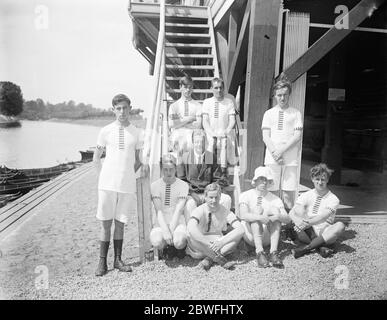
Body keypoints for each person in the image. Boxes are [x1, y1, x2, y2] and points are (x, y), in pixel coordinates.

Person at [93, 94, 145, 277]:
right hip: (107, 185)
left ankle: (118, 259)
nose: (122, 112)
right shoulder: (105, 131)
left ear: (130, 108)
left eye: (125, 108)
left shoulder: (137, 132)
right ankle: (102, 262)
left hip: (126, 185)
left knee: (120, 223)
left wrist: (128, 174)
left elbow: (139, 161)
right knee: (106, 224)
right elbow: (96, 158)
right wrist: (103, 177)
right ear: (113, 110)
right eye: (118, 108)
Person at [261, 80, 303, 211]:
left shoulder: (296, 113)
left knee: (288, 195)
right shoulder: (269, 113)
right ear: (275, 95)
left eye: (285, 94)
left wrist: (281, 151)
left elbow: (297, 136)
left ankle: (288, 228)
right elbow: (265, 136)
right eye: (279, 95)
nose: (282, 98)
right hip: (272, 158)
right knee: (272, 193)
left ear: (289, 94)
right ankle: (273, 226)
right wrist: (275, 153)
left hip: (290, 159)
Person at [289, 163, 345, 259]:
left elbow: (323, 217)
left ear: (327, 180)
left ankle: (305, 249)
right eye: (317, 179)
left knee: (340, 225)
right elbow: (292, 212)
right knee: (297, 211)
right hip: (306, 230)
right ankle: (320, 247)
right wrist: (301, 222)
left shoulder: (333, 199)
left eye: (323, 179)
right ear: (312, 179)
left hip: (324, 231)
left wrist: (307, 223)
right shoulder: (306, 195)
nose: (320, 182)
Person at [239, 166, 290, 268]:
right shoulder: (246, 195)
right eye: (261, 179)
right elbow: (243, 215)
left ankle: (273, 253)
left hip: (268, 237)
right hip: (250, 235)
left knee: (275, 211)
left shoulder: (275, 199)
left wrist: (277, 216)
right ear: (256, 180)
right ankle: (259, 252)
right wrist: (260, 218)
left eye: (267, 180)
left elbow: (288, 219)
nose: (264, 183)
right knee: (257, 211)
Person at [186, 183, 244, 270]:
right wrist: (207, 243)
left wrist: (222, 242)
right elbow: (191, 228)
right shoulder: (199, 210)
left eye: (216, 197)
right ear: (205, 197)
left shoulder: (225, 211)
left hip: (218, 244)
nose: (214, 200)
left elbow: (241, 229)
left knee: (237, 237)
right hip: (201, 246)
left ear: (220, 197)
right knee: (190, 235)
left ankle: (209, 259)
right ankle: (219, 259)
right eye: (211, 197)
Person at [177, 130, 232, 216]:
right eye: (196, 142)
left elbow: (218, 178)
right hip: (192, 193)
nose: (199, 144)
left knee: (226, 199)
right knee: (190, 204)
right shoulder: (185, 157)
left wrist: (209, 193)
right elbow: (181, 180)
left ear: (205, 142)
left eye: (202, 142)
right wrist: (192, 193)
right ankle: (192, 227)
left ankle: (218, 226)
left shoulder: (211, 157)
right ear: (192, 143)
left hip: (209, 192)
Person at [150, 154, 189, 260]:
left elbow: (179, 209)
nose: (168, 173)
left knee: (179, 242)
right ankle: (165, 248)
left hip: (177, 221)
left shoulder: (183, 185)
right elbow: (158, 210)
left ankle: (179, 249)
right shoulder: (154, 186)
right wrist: (165, 230)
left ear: (176, 168)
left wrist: (170, 230)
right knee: (157, 241)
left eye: (171, 169)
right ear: (161, 169)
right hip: (160, 221)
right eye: (165, 169)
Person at [202, 78, 236, 185]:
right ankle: (208, 173)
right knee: (211, 143)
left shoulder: (229, 102)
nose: (218, 90)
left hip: (224, 132)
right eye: (216, 88)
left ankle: (223, 173)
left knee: (224, 142)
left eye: (221, 87)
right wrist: (212, 134)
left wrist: (225, 132)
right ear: (211, 89)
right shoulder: (207, 102)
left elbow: (232, 121)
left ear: (223, 88)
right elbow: (205, 121)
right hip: (210, 133)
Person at [168, 75, 202, 156]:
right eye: (185, 87)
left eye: (190, 87)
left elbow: (198, 125)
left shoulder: (198, 105)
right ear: (180, 87)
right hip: (178, 138)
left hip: (192, 138)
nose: (188, 90)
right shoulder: (174, 106)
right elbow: (172, 124)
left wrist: (180, 122)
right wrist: (189, 118)